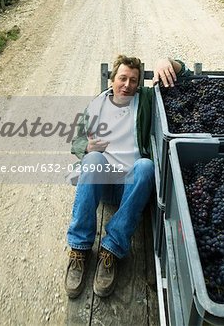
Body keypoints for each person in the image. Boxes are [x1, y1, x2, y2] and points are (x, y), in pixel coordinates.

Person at [65, 55, 191, 298]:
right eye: (122, 78)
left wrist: (168, 62)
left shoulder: (145, 99)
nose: (127, 85)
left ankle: (111, 248)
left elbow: (182, 75)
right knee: (91, 160)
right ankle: (79, 248)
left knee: (146, 166)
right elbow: (76, 142)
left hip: (131, 187)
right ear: (112, 80)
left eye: (133, 80)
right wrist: (87, 147)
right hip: (104, 183)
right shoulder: (96, 104)